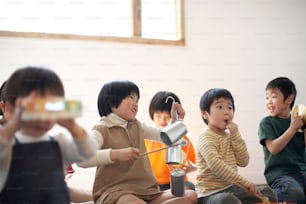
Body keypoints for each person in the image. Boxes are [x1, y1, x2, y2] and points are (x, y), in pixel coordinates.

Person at [78, 80, 197, 204]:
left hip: (147, 192)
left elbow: (166, 137)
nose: (136, 103)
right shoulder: (101, 129)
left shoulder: (138, 126)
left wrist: (176, 120)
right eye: (131, 98)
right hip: (116, 192)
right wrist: (115, 154)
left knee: (191, 195)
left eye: (137, 100)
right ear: (112, 101)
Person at [0, 66, 97, 204]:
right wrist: (14, 123)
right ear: (10, 108)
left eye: (49, 108)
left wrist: (73, 126)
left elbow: (89, 152)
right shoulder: (9, 144)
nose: (41, 118)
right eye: (33, 107)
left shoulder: (60, 143)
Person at [197, 88, 277, 204]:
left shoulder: (230, 136)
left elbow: (243, 161)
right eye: (220, 107)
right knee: (227, 200)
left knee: (267, 192)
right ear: (204, 114)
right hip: (210, 194)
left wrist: (236, 135)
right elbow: (217, 166)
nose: (226, 112)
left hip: (232, 188)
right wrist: (245, 183)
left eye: (229, 107)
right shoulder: (205, 137)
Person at [258, 77, 306, 204]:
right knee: (295, 194)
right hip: (280, 174)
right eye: (267, 98)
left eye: (273, 97)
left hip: (302, 170)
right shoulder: (267, 122)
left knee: (298, 194)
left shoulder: (298, 120)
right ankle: (267, 195)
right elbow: (273, 149)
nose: (269, 102)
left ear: (289, 99)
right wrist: (292, 129)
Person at [144, 91, 196, 191]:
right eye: (158, 116)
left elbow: (194, 163)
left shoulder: (183, 139)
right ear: (152, 116)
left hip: (177, 181)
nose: (163, 120)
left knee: (189, 188)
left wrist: (186, 169)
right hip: (154, 184)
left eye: (167, 116)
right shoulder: (147, 139)